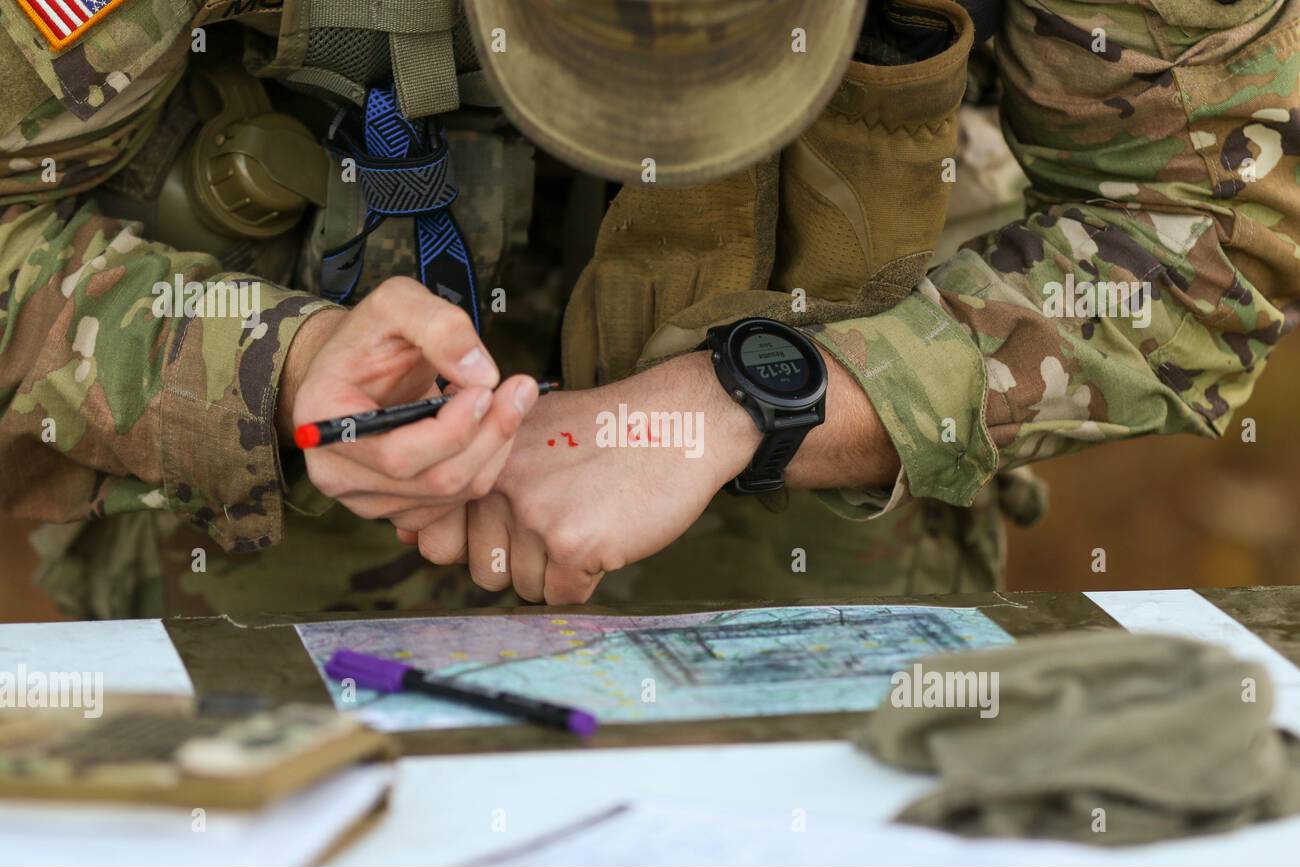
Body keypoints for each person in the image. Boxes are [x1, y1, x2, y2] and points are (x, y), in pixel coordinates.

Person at [0, 0, 1294, 619]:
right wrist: (274, 368)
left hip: (825, 368)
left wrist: (758, 402)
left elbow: (1206, 242)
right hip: (266, 429)